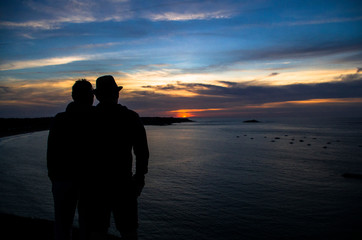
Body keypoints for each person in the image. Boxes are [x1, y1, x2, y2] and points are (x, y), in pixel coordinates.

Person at [84, 75, 149, 240]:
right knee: (128, 231)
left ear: (97, 96)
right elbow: (141, 151)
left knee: (97, 231)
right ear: (117, 94)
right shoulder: (130, 117)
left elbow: (78, 151)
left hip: (95, 184)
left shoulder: (88, 118)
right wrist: (140, 178)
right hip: (123, 184)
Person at [47, 79, 94, 240]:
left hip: (64, 180)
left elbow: (51, 151)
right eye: (90, 94)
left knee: (62, 225)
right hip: (87, 181)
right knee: (87, 227)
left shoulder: (59, 119)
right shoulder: (96, 119)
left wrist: (53, 177)